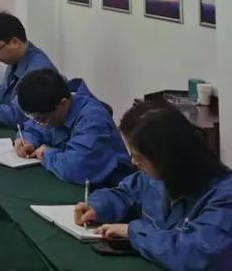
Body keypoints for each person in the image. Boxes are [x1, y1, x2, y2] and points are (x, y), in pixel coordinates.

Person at [75, 102, 232, 270]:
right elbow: (123, 194)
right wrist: (97, 208)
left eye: (139, 156)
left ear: (165, 157)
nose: (133, 161)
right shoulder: (154, 177)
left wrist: (133, 232)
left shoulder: (224, 197)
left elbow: (196, 255)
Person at [14, 69, 133, 187]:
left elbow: (76, 168)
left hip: (110, 188)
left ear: (63, 104)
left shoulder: (93, 120)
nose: (40, 123)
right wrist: (27, 140)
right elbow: (35, 127)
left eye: (42, 119)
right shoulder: (50, 108)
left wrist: (46, 153)